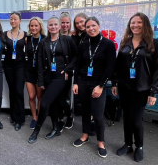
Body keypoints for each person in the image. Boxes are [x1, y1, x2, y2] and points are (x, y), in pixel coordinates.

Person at [111, 12, 158, 162]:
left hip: (142, 88)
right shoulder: (125, 42)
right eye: (133, 23)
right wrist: (114, 82)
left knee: (135, 120)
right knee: (126, 118)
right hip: (125, 87)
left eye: (139, 22)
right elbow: (118, 66)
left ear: (145, 24)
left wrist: (154, 92)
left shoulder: (154, 43)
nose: (135, 25)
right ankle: (128, 144)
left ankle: (139, 146)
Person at [72, 16, 116, 158]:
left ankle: (101, 143)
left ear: (99, 25)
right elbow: (78, 64)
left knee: (97, 115)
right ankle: (85, 136)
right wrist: (76, 82)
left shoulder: (108, 44)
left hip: (98, 84)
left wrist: (101, 86)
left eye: (93, 25)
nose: (90, 29)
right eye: (88, 27)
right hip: (83, 82)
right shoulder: (84, 44)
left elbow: (110, 67)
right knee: (85, 111)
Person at [28, 16, 76, 144]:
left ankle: (36, 131)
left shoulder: (67, 40)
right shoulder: (44, 42)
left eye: (55, 24)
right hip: (48, 77)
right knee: (54, 104)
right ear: (47, 27)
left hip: (61, 77)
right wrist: (40, 81)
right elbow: (39, 63)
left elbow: (76, 57)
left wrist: (67, 70)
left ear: (60, 26)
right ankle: (55, 128)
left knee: (44, 104)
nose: (53, 27)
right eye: (50, 25)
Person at [3, 12, 27, 131]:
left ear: (20, 21)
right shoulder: (4, 34)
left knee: (19, 91)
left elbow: (30, 50)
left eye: (15, 19)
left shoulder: (26, 35)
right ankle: (13, 115)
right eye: (11, 19)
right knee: (12, 90)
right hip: (8, 66)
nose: (13, 21)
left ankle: (19, 119)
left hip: (20, 66)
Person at [24, 17, 46, 129]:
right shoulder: (27, 39)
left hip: (40, 72)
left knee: (39, 96)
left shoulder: (45, 39)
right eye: (31, 26)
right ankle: (34, 118)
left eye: (36, 25)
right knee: (32, 96)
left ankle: (39, 118)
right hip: (29, 70)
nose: (33, 28)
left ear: (40, 26)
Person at [57, 11, 74, 131]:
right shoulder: (55, 35)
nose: (65, 25)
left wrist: (68, 69)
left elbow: (75, 56)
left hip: (68, 72)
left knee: (65, 97)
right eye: (62, 22)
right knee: (57, 96)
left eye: (67, 22)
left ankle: (69, 115)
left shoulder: (73, 37)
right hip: (56, 71)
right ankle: (60, 119)